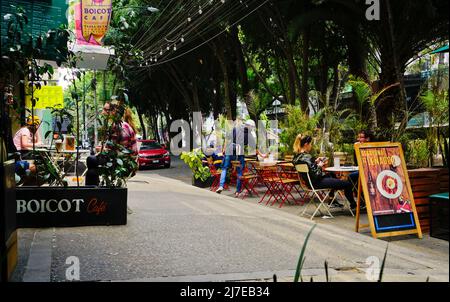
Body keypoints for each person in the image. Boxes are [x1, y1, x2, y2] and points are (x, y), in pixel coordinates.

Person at [292, 135, 357, 210]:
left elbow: (309, 169)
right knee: (347, 184)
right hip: (316, 183)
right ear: (306, 144)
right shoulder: (307, 157)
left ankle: (332, 200)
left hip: (308, 183)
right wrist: (320, 165)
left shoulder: (296, 157)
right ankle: (353, 205)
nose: (311, 146)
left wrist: (315, 162)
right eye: (310, 144)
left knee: (331, 174)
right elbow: (316, 175)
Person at [216, 119, 263, 197]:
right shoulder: (249, 134)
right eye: (252, 127)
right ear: (249, 126)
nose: (252, 129)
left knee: (224, 168)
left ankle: (221, 186)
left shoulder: (236, 128)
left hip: (230, 149)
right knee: (240, 171)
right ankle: (237, 191)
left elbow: (227, 138)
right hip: (239, 151)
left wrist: (224, 149)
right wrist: (261, 155)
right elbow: (254, 147)